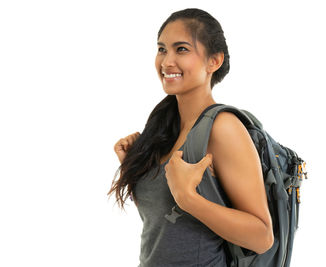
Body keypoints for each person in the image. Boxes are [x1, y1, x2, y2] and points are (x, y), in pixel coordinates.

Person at [108, 8, 274, 267]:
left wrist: (189, 199)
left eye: (181, 49)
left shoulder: (222, 128)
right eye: (162, 49)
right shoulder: (164, 128)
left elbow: (262, 237)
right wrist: (133, 166)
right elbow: (165, 224)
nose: (166, 62)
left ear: (214, 61)